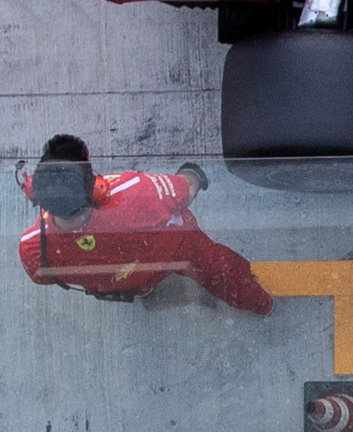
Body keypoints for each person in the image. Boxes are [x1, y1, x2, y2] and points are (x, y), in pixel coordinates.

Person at [16, 135, 274, 314]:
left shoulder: (32, 251)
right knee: (223, 272)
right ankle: (261, 305)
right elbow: (184, 191)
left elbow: (46, 278)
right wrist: (193, 173)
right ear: (94, 188)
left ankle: (145, 288)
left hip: (129, 281)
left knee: (137, 281)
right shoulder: (135, 193)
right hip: (178, 250)